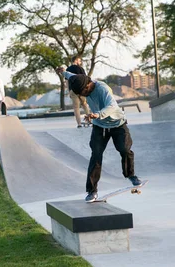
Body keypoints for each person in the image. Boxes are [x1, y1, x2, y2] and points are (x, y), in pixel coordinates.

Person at [58, 67, 143, 202]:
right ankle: (92, 191)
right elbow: (70, 75)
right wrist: (62, 72)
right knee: (96, 155)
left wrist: (98, 114)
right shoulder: (80, 80)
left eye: (83, 92)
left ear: (88, 85)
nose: (83, 96)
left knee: (124, 149)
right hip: (99, 126)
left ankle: (131, 175)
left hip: (117, 124)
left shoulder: (103, 89)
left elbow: (112, 106)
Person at [66, 55, 91, 128]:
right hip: (82, 89)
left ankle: (79, 124)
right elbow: (85, 79)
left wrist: (69, 91)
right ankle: (89, 121)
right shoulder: (81, 69)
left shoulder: (68, 69)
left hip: (73, 90)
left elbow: (66, 81)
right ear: (76, 60)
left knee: (76, 107)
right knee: (84, 105)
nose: (80, 62)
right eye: (79, 61)